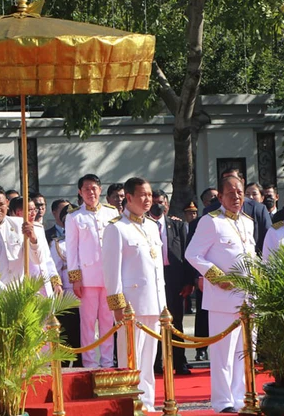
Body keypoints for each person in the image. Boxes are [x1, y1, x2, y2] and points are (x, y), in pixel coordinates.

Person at [185, 176, 255, 413]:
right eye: (231, 193)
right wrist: (217, 277)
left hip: (247, 296)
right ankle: (223, 401)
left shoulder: (247, 222)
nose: (236, 196)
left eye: (239, 192)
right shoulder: (211, 221)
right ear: (221, 197)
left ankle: (239, 397)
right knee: (222, 353)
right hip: (223, 298)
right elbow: (193, 254)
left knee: (243, 353)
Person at [103, 177, 166, 412]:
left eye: (149, 194)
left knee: (149, 360)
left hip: (154, 301)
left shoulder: (151, 226)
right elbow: (111, 270)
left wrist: (163, 303)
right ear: (128, 198)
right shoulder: (116, 228)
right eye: (142, 195)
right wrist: (117, 306)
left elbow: (157, 268)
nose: (148, 199)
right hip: (131, 305)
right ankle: (130, 404)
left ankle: (147, 403)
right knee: (132, 359)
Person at [65, 174, 120, 368]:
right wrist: (75, 278)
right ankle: (89, 363)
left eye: (94, 188)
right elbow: (71, 250)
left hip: (109, 277)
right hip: (87, 278)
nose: (91, 192)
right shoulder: (74, 217)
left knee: (107, 321)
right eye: (86, 189)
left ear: (100, 189)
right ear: (80, 192)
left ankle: (106, 362)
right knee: (87, 323)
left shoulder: (111, 213)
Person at [148, 190, 193, 375]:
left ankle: (180, 362)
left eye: (161, 202)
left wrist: (188, 281)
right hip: (153, 280)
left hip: (174, 279)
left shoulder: (177, 225)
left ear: (166, 205)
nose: (158, 205)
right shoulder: (144, 225)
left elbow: (187, 255)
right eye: (155, 202)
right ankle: (158, 363)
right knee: (155, 322)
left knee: (177, 322)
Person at [8, 197, 60, 296]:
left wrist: (55, 281)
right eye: (29, 210)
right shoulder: (10, 231)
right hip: (26, 283)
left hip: (44, 282)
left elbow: (47, 258)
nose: (33, 213)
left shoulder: (38, 228)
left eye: (34, 210)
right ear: (18, 212)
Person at [49, 210, 81, 367]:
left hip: (90, 293)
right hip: (70, 296)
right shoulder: (59, 244)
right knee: (69, 334)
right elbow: (53, 270)